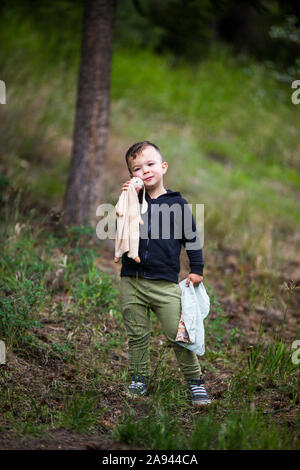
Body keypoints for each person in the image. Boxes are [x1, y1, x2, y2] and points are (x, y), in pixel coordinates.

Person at [118, 140, 211, 405]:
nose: (145, 171)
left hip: (165, 284)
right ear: (132, 176)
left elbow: (192, 238)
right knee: (137, 335)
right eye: (137, 168)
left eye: (150, 164)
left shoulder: (178, 204)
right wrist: (127, 197)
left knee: (178, 335)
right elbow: (120, 228)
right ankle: (139, 379)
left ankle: (195, 382)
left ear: (163, 167)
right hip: (132, 280)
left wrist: (197, 269)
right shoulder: (132, 201)